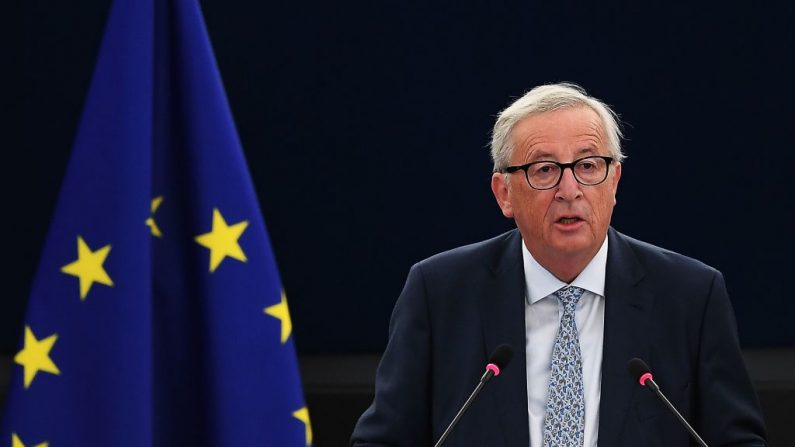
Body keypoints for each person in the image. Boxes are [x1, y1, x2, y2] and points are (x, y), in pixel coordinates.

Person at [350, 83, 767, 446]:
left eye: (588, 166)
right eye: (545, 170)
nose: (570, 190)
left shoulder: (690, 295)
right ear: (504, 193)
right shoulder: (439, 292)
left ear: (615, 181)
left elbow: (735, 439)